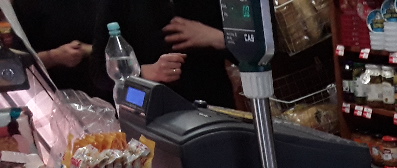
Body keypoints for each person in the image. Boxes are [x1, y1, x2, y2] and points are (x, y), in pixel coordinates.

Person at [91, 0, 235, 108]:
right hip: (152, 115)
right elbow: (99, 72)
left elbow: (247, 53)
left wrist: (219, 38)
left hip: (216, 109)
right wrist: (143, 72)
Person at [11, 0, 98, 98]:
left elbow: (111, 41)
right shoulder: (27, 4)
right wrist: (54, 57)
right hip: (52, 93)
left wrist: (89, 49)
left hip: (102, 86)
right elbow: (17, 62)